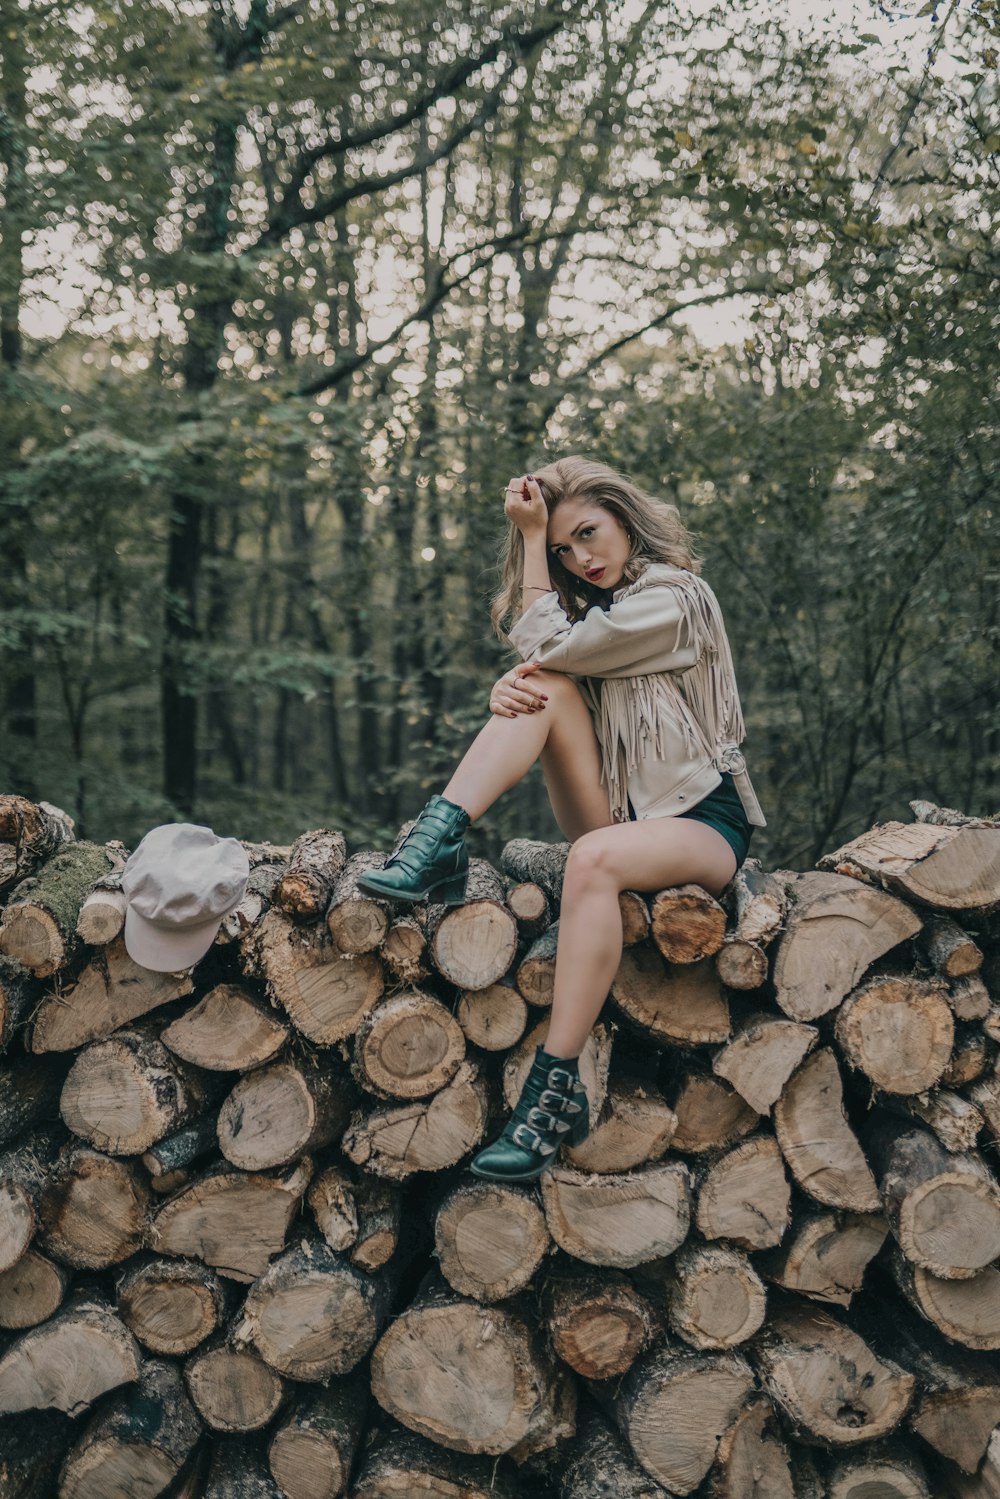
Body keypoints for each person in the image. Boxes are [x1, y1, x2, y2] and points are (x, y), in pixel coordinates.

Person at [357, 455, 766, 1183]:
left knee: (591, 852)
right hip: (618, 813)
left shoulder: (678, 599)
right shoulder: (594, 620)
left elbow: (548, 640)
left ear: (624, 518)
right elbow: (549, 654)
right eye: (563, 550)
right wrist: (514, 686)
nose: (581, 557)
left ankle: (555, 1084)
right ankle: (435, 842)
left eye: (587, 534)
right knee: (539, 685)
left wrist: (527, 539)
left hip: (704, 823)